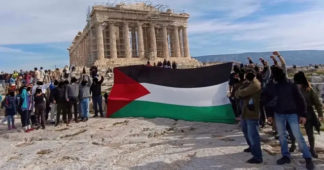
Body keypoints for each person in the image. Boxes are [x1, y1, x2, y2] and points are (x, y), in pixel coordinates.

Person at [263, 66, 314, 170]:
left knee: (298, 136)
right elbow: (267, 99)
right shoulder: (272, 85)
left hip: (292, 114)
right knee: (282, 136)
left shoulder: (291, 84)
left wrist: (303, 115)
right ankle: (285, 156)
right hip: (279, 114)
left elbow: (301, 100)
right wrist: (269, 115)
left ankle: (308, 158)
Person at [293, 71, 323, 158]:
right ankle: (293, 144)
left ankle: (312, 149)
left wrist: (320, 114)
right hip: (295, 113)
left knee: (310, 132)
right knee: (294, 131)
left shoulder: (309, 90)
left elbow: (317, 103)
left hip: (308, 113)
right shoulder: (293, 89)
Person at [235, 69, 263, 164]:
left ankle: (258, 157)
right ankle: (252, 147)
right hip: (245, 112)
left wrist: (240, 91)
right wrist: (241, 88)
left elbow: (241, 93)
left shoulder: (255, 84)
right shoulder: (249, 83)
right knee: (246, 131)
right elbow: (236, 94)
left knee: (253, 135)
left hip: (252, 114)